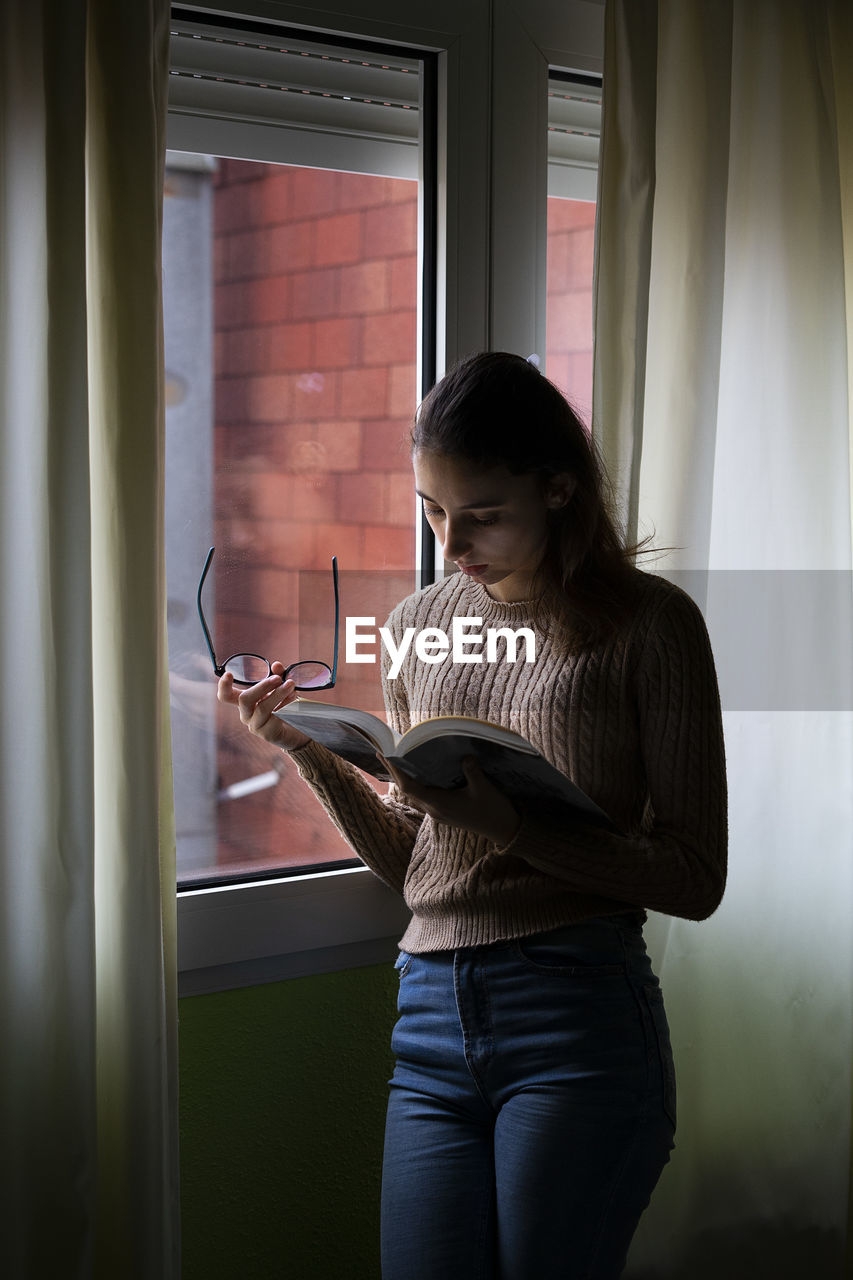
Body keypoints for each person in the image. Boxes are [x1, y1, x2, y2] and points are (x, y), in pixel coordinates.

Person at [217, 351, 728, 1280]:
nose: (451, 544)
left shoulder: (652, 625)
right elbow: (419, 868)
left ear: (560, 490)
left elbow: (694, 879)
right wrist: (303, 748)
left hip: (573, 1020)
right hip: (426, 1023)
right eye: (432, 510)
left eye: (482, 515)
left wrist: (515, 830)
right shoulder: (419, 626)